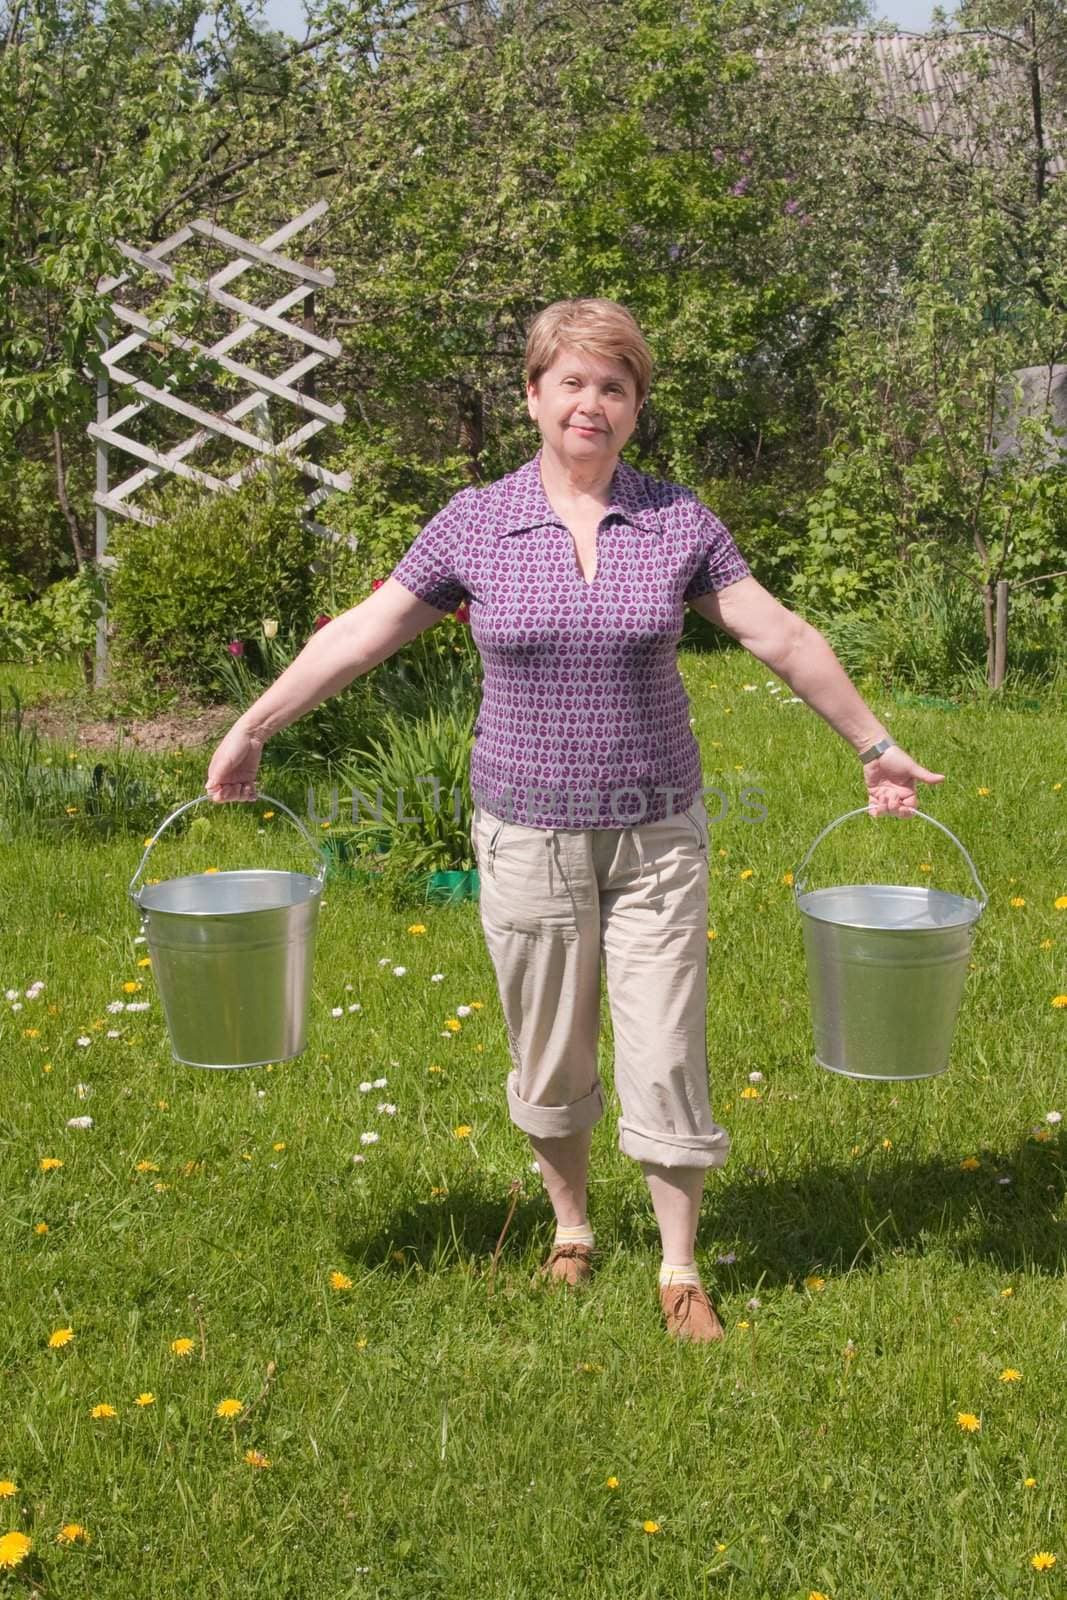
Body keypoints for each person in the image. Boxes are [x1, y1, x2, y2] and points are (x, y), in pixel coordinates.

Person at [205, 297, 944, 1344]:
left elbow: (777, 632)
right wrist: (254, 725)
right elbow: (364, 633)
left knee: (665, 1046)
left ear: (635, 406)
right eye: (572, 382)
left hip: (656, 834)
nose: (590, 403)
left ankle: (679, 1267)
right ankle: (571, 1229)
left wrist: (873, 747)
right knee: (547, 1050)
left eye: (614, 386)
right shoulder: (474, 522)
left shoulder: (675, 519)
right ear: (532, 395)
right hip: (527, 833)